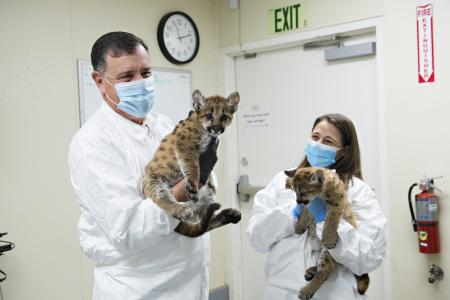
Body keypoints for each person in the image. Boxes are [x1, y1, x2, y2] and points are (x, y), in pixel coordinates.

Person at [68, 31, 217, 300]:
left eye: (146, 73)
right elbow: (130, 231)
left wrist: (202, 175)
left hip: (189, 281)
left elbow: (203, 191)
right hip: (140, 289)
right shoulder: (92, 144)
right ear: (99, 81)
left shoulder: (162, 124)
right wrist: (191, 182)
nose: (141, 82)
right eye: (127, 76)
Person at [246, 113, 387, 300]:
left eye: (328, 141)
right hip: (280, 291)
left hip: (334, 294)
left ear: (343, 151)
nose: (318, 145)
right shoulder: (283, 181)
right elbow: (257, 238)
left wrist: (327, 221)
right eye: (315, 137)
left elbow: (369, 257)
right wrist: (293, 214)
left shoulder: (358, 192)